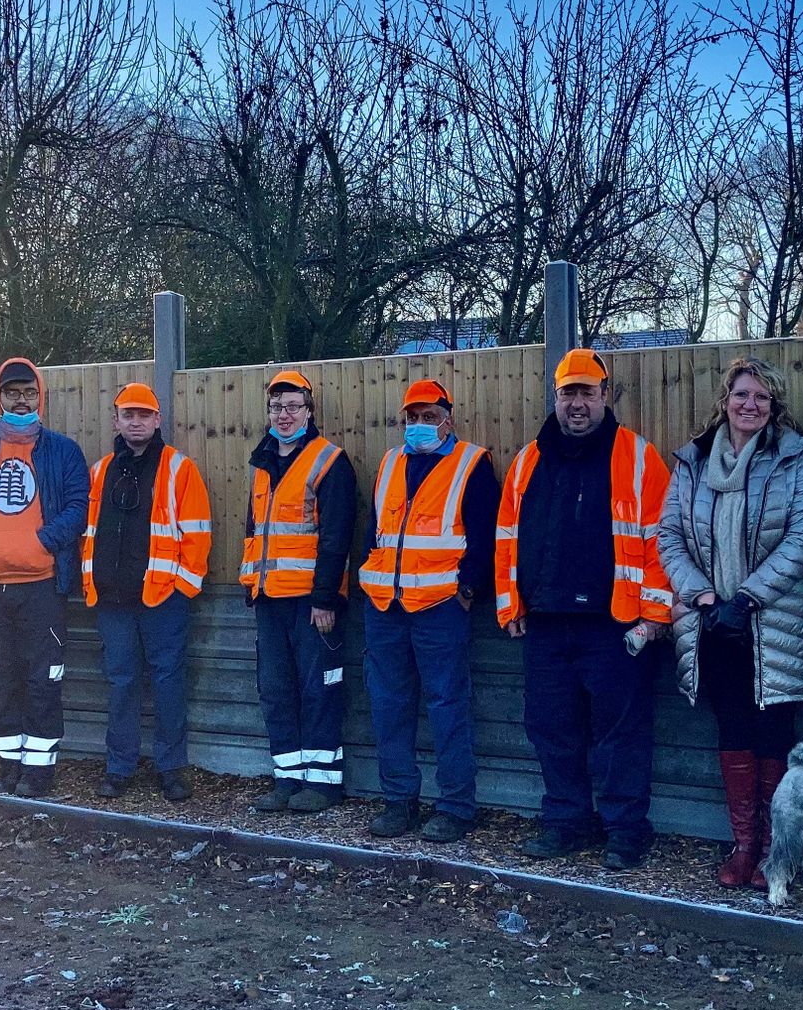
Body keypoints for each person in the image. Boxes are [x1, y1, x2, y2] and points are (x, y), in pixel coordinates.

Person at [496, 349, 672, 871]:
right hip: (546, 622)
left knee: (622, 733)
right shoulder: (528, 459)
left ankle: (625, 829)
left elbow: (663, 542)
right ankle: (568, 821)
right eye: (568, 392)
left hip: (615, 624)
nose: (577, 403)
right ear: (556, 397)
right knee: (551, 727)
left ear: (605, 395)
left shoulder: (639, 457)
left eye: (586, 392)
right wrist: (510, 604)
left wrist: (655, 616)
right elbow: (506, 536)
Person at [659, 356, 803, 889]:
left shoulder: (792, 459)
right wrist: (704, 597)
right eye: (741, 395)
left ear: (773, 406)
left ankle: (778, 848)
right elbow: (669, 537)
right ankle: (745, 844)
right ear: (725, 401)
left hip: (772, 623)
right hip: (714, 624)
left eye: (761, 397)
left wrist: (748, 598)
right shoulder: (693, 461)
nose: (750, 405)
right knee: (731, 730)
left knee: (773, 735)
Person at [357, 378, 499, 843]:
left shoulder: (471, 463)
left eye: (429, 417)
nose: (419, 425)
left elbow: (485, 535)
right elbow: (376, 530)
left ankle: (456, 806)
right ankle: (399, 801)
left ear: (447, 420)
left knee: (447, 707)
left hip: (441, 606)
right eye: (412, 418)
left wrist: (469, 589)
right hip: (385, 606)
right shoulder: (390, 462)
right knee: (388, 706)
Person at [0, 357, 89, 796]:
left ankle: (39, 768)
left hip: (43, 585)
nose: (20, 399)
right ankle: (6, 762)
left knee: (43, 677)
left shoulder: (62, 450)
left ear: (39, 396)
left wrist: (46, 541)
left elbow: (78, 506)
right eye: (12, 392)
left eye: (28, 392)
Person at [80, 382, 211, 802]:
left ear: (158, 421)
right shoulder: (100, 471)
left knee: (168, 682)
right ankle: (119, 768)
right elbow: (88, 533)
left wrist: (183, 590)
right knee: (121, 683)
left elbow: (197, 535)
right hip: (113, 602)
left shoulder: (179, 468)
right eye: (128, 415)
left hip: (162, 601)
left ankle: (171, 769)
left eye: (144, 415)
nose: (135, 422)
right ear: (116, 421)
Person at [239, 369, 357, 814]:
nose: (284, 414)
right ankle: (287, 778)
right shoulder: (264, 462)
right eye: (276, 407)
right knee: (275, 689)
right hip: (269, 599)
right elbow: (255, 532)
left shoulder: (329, 461)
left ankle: (324, 784)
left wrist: (326, 598)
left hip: (312, 603)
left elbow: (336, 537)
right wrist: (251, 586)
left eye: (292, 406)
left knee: (318, 690)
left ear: (309, 410)